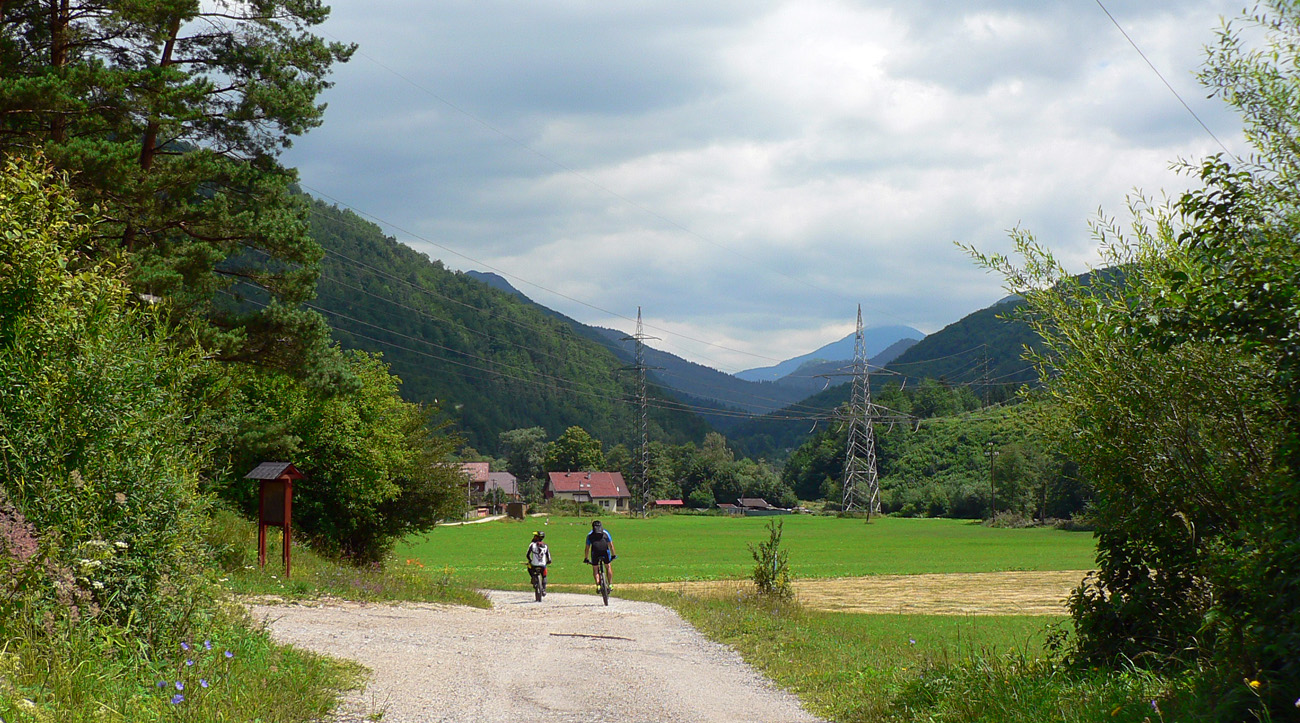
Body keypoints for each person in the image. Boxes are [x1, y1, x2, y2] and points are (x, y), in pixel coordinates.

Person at [583, 519, 616, 587]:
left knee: (595, 568)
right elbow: (611, 545)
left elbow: (587, 548)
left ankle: (598, 585)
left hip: (595, 552)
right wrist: (613, 555)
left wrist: (586, 558)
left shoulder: (590, 535)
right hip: (605, 552)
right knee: (608, 566)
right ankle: (610, 584)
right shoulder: (605, 533)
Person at [526, 530, 551, 596]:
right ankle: (544, 589)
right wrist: (548, 562)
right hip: (543, 565)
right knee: (544, 576)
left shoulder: (532, 545)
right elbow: (549, 558)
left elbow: (527, 555)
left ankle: (533, 578)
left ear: (537, 537)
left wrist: (530, 561)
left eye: (535, 536)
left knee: (529, 568)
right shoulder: (545, 546)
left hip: (534, 564)